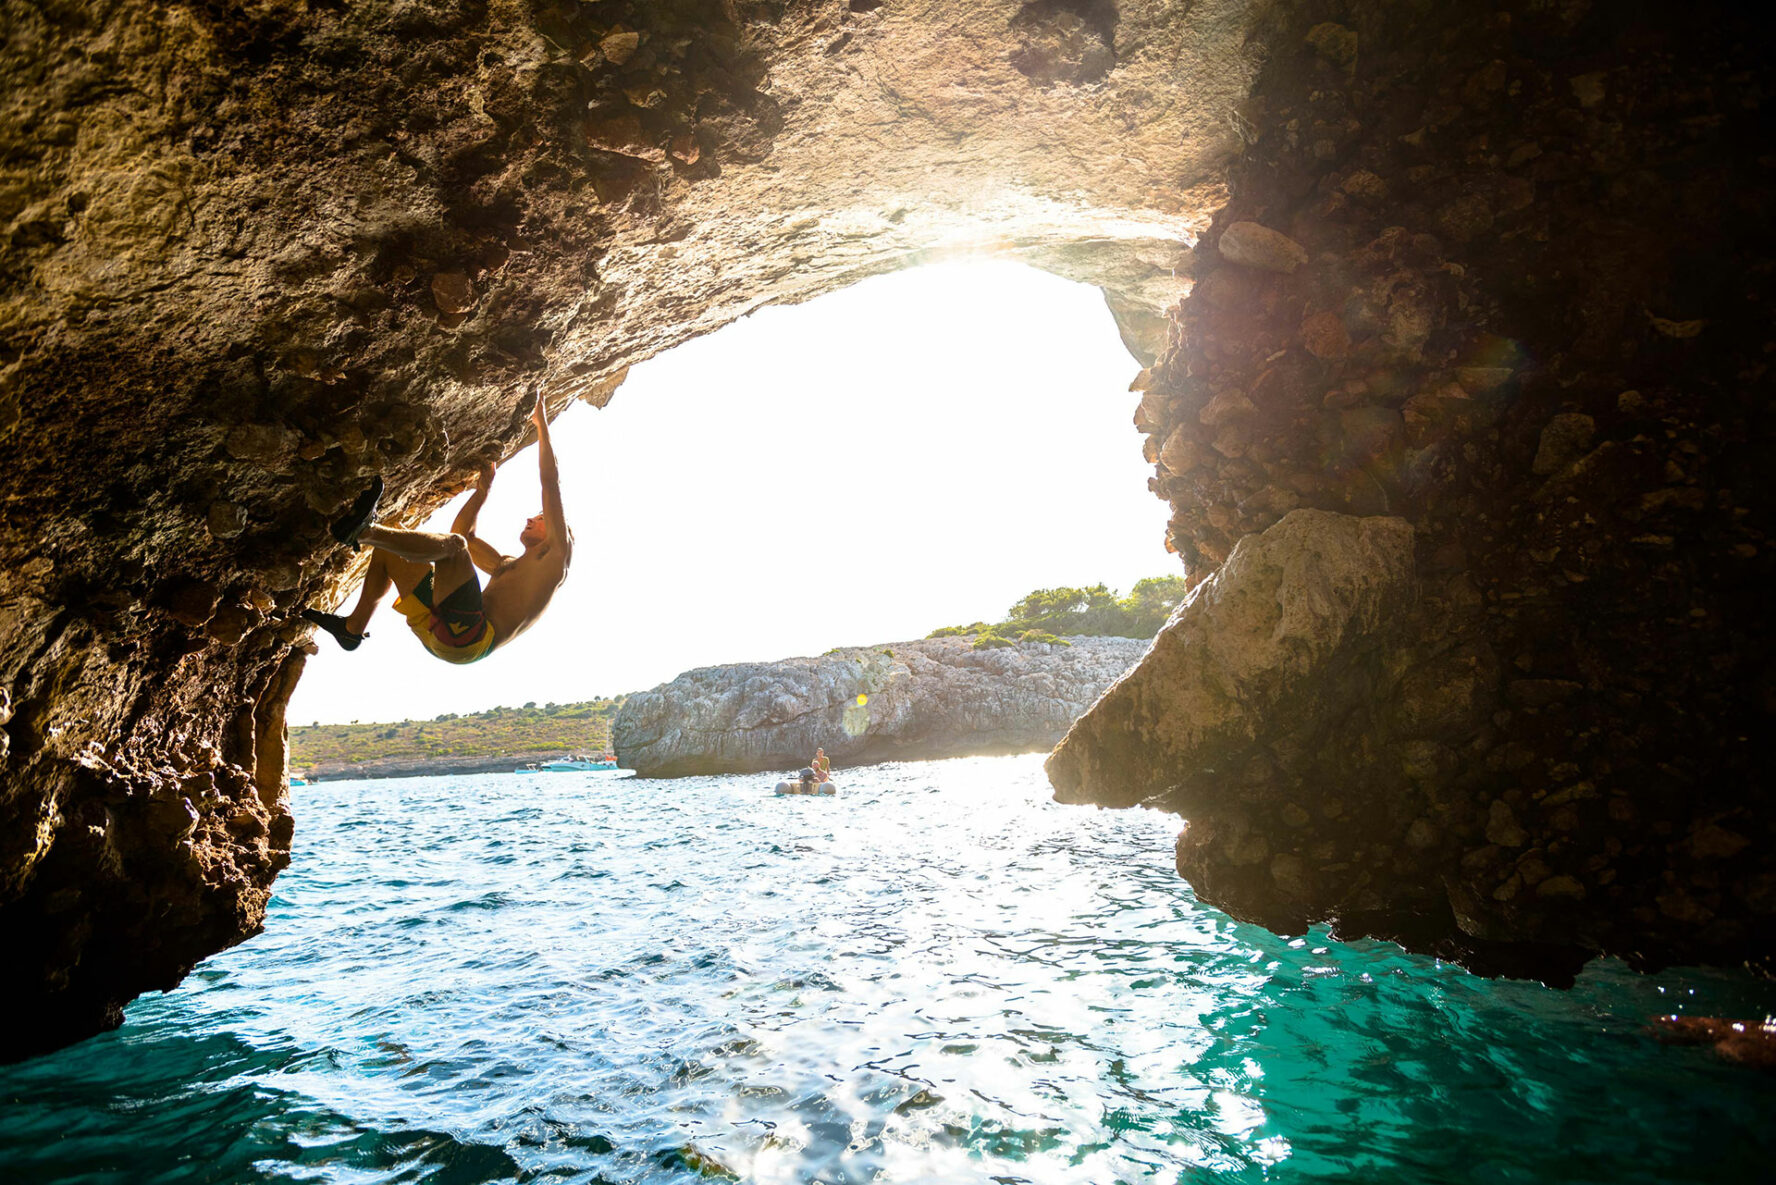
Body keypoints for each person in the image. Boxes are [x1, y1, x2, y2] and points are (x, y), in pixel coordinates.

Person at [302, 387, 572, 664]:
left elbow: (550, 483)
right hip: (447, 632)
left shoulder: (556, 558)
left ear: (556, 530)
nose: (531, 518)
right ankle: (352, 629)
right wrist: (482, 493)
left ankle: (362, 531)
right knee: (391, 548)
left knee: (454, 548)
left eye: (540, 518)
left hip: (470, 637)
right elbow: (462, 535)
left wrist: (542, 424)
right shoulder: (506, 566)